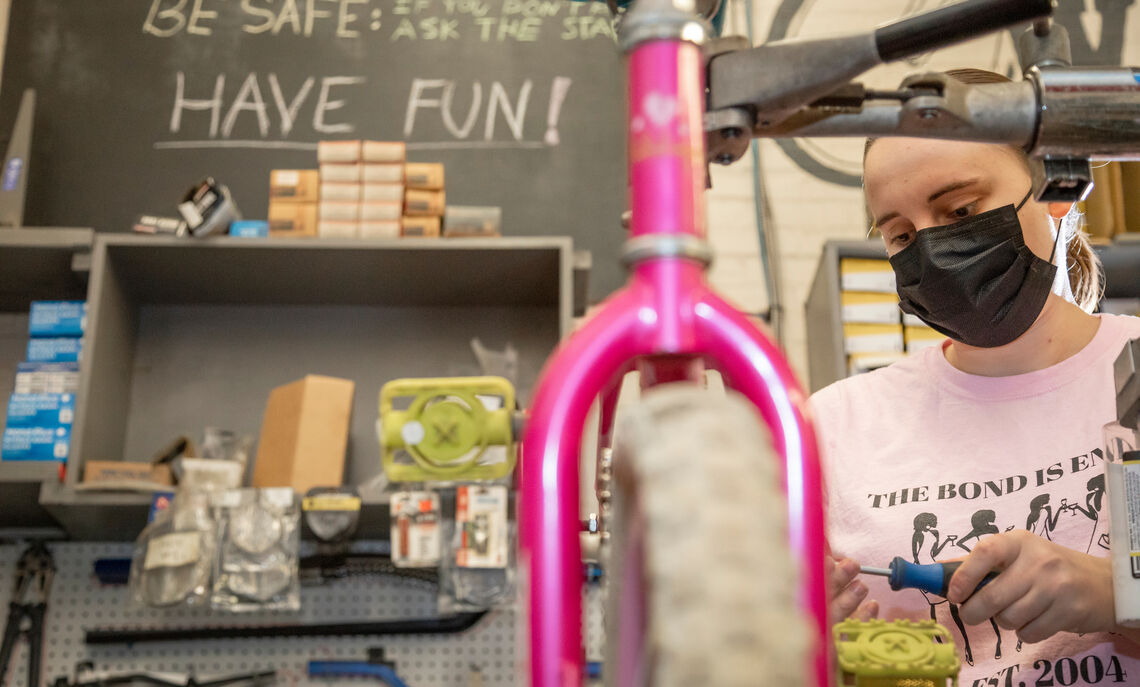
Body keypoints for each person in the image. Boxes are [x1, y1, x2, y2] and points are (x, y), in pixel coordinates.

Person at [812, 68, 1140, 685]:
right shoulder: (832, 427)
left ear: (1054, 189)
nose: (932, 251)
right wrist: (807, 651)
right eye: (901, 235)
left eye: (961, 209)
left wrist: (1115, 594)